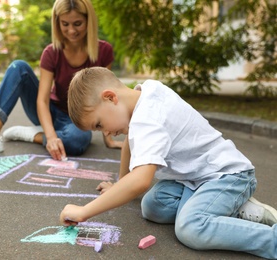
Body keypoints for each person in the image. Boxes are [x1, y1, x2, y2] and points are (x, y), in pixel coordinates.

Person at [60, 67, 277, 259]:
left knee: (190, 228)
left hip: (227, 175)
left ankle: (271, 240)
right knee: (152, 206)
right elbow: (129, 141)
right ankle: (221, 208)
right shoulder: (145, 93)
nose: (105, 132)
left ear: (110, 97)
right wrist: (119, 184)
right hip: (194, 178)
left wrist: (84, 212)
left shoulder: (149, 117)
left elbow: (141, 181)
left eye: (99, 124)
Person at [0, 0, 122, 160]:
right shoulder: (51, 52)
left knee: (77, 142)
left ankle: (33, 135)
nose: (71, 30)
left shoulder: (103, 51)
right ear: (57, 23)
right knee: (18, 67)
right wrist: (52, 137)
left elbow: (103, 98)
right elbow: (42, 100)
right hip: (49, 111)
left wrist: (109, 140)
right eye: (65, 24)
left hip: (78, 119)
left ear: (89, 22)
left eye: (78, 24)